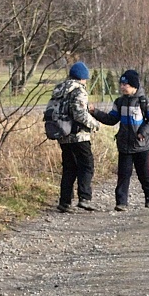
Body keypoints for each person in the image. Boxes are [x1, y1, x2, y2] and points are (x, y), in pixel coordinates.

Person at [92, 70, 149, 211]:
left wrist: (143, 131)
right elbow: (111, 119)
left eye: (126, 84)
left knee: (144, 174)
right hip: (124, 145)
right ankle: (121, 202)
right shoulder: (119, 102)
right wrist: (95, 112)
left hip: (142, 145)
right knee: (123, 175)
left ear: (134, 86)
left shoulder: (145, 102)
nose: (122, 87)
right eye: (121, 84)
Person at [51, 62, 100, 212]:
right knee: (87, 165)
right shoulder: (79, 91)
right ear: (82, 77)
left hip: (63, 134)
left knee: (69, 168)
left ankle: (64, 202)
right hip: (79, 136)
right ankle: (84, 198)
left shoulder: (59, 89)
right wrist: (95, 124)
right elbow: (80, 114)